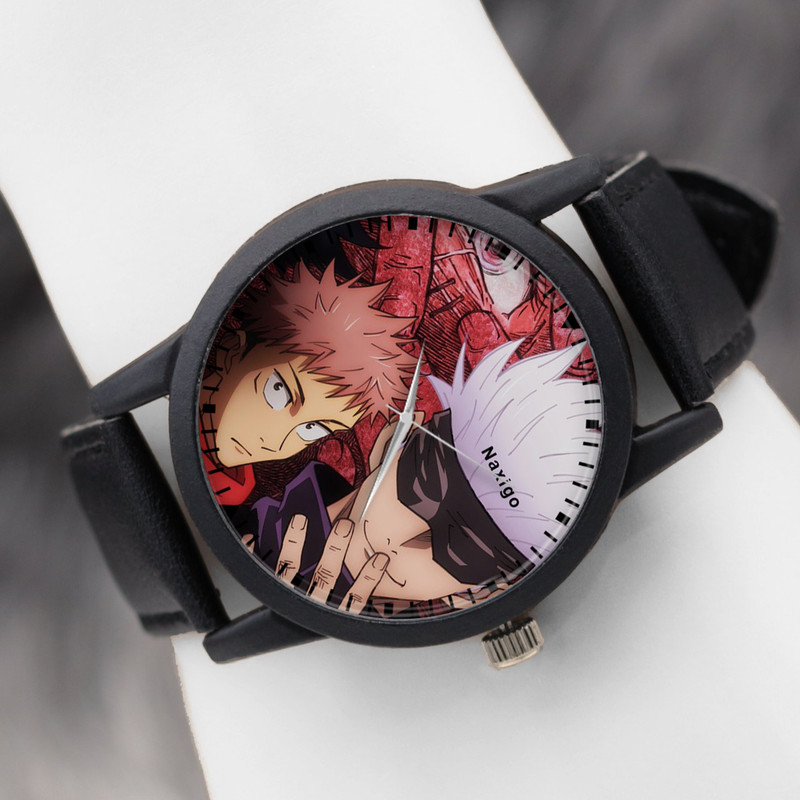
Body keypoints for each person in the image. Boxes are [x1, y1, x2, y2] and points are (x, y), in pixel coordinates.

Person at [251, 338, 600, 617]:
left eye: (465, 549)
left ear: (478, 594)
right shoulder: (247, 525)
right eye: (426, 484)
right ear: (392, 440)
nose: (410, 538)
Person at [199, 261, 417, 505]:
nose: (274, 443)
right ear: (231, 351)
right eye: (278, 392)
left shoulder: (239, 488)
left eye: (312, 429)